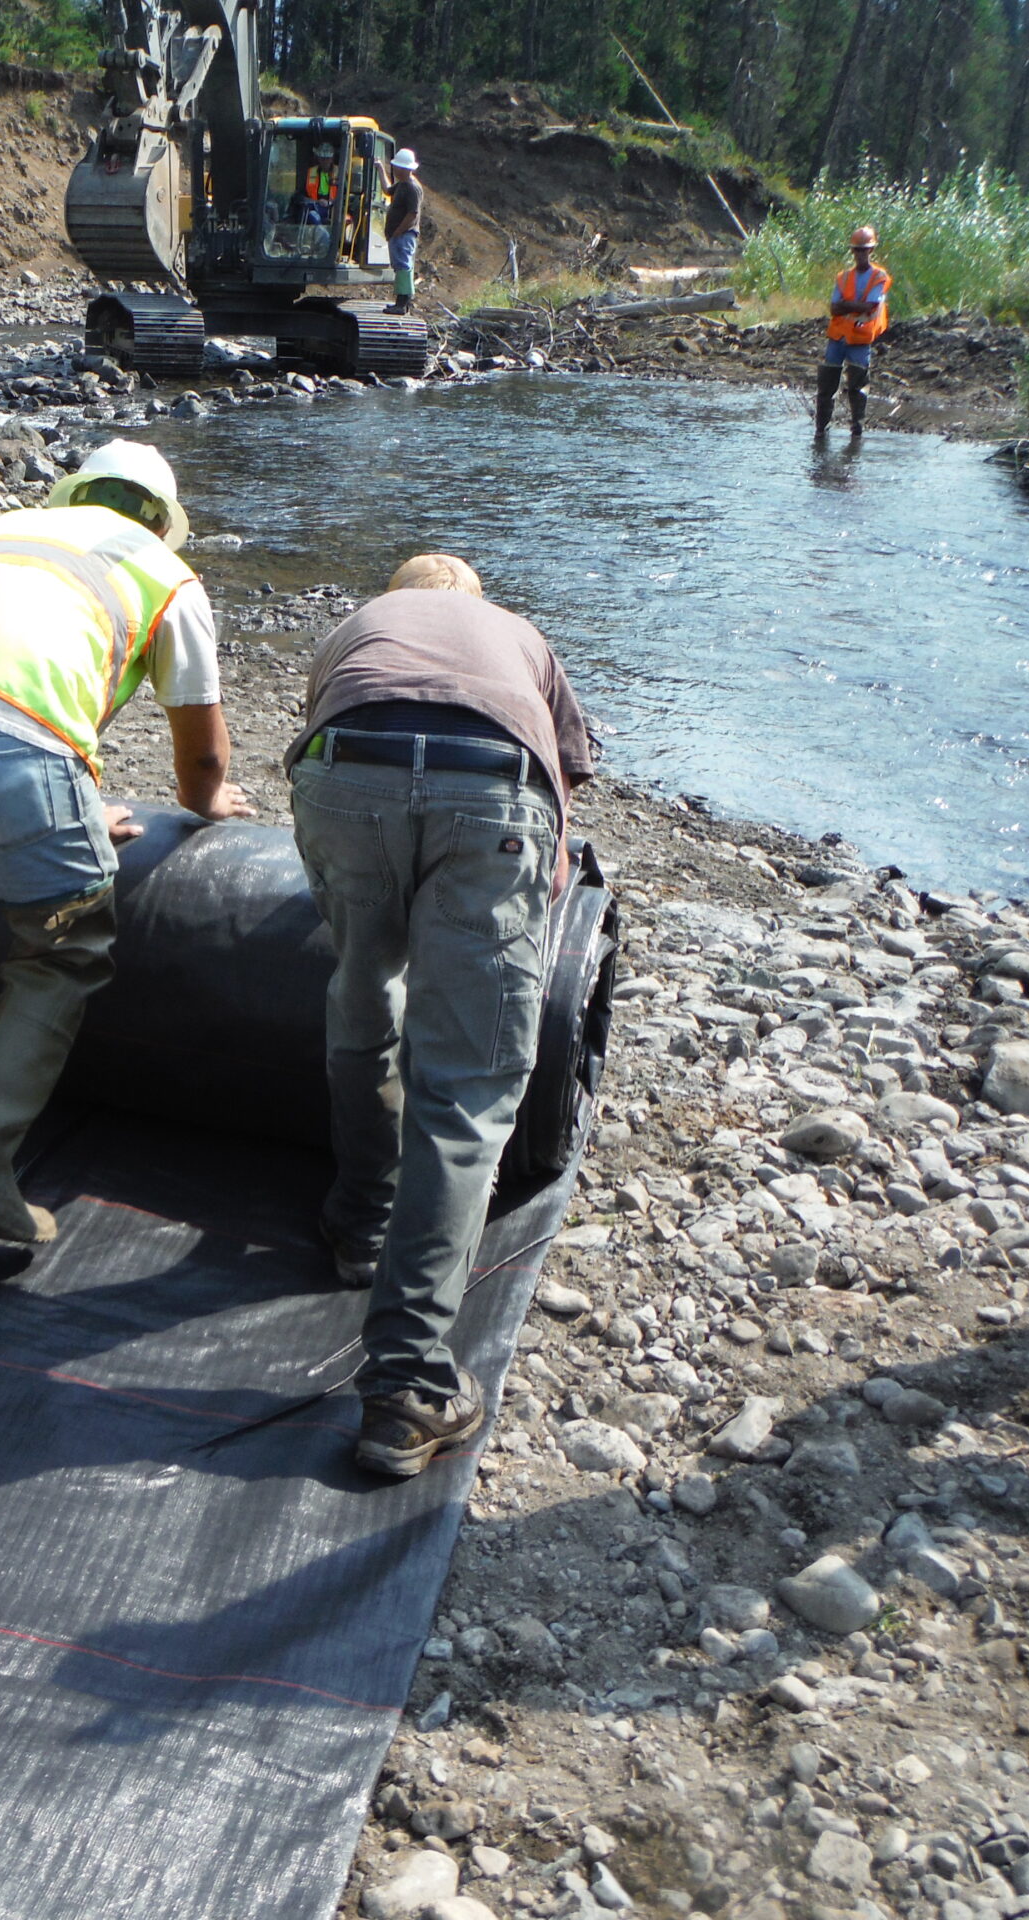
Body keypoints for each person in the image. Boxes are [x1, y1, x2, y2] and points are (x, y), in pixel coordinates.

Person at [0, 441, 256, 1255]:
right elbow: (201, 760)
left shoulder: (3, 531)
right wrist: (209, 801)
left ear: (75, 493)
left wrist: (66, 804)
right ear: (158, 520)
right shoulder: (161, 571)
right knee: (64, 951)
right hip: (6, 735)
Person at [288, 554, 594, 1479]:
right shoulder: (519, 635)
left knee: (364, 985)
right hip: (489, 787)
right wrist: (541, 865)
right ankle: (410, 1386)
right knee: (466, 1086)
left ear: (400, 593)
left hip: (345, 776)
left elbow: (320, 723)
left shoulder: (361, 623)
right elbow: (562, 773)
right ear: (473, 601)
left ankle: (358, 1223)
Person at [818, 225, 891, 433]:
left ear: (871, 250)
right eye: (857, 250)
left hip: (860, 338)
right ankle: (821, 430)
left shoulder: (879, 277)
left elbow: (870, 307)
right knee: (826, 385)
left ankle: (857, 429)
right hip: (838, 336)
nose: (860, 253)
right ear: (852, 251)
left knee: (858, 387)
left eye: (864, 249)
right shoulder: (843, 277)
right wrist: (856, 306)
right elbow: (834, 308)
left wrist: (846, 305)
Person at [384, 147, 423, 316]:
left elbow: (412, 213)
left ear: (406, 169)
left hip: (404, 235)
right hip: (399, 235)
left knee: (403, 267)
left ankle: (402, 303)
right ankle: (402, 303)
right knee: (401, 266)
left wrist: (399, 231)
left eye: (397, 167)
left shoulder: (412, 188)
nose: (395, 170)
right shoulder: (401, 184)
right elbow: (387, 190)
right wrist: (379, 168)